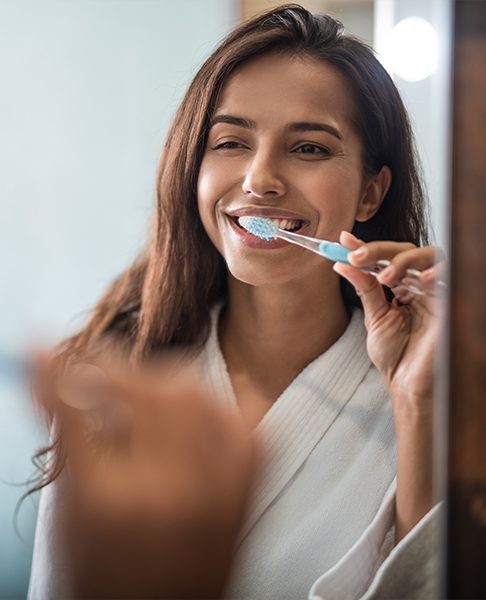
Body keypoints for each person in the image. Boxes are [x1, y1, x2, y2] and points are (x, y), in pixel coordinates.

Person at [28, 4, 444, 599]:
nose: (260, 178)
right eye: (230, 142)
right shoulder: (113, 385)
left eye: (309, 149)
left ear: (372, 191)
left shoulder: (430, 401)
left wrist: (419, 404)